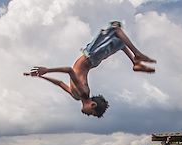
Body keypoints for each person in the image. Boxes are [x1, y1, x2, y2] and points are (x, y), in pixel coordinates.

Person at [24, 21, 156, 118]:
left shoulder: (76, 96)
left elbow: (59, 83)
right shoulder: (83, 92)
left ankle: (135, 62)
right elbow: (70, 70)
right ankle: (136, 56)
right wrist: (47, 70)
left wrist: (41, 77)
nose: (88, 115)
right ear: (92, 105)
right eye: (92, 113)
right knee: (115, 29)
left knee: (119, 41)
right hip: (91, 57)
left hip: (92, 61)